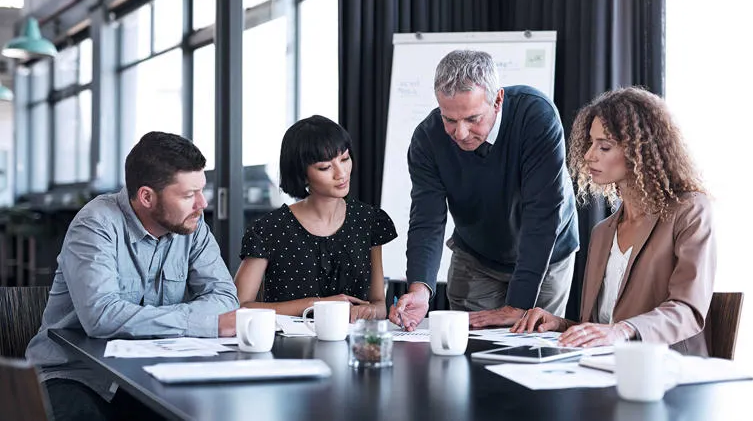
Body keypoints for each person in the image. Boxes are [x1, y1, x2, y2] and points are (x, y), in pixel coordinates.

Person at [26, 132, 240, 421]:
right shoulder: (96, 224)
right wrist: (202, 321)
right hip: (76, 374)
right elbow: (101, 317)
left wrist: (205, 319)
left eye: (201, 190)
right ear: (147, 196)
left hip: (152, 374)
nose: (202, 204)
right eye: (189, 195)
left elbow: (225, 300)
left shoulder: (192, 226)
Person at [511, 87, 716, 355]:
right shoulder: (602, 232)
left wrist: (622, 330)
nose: (589, 155)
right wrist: (560, 325)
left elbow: (688, 309)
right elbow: (602, 327)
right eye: (591, 143)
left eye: (604, 146)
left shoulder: (690, 210)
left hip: (668, 372)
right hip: (606, 370)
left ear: (640, 151)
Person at [389, 50, 580, 330]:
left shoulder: (536, 116)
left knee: (533, 351)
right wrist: (420, 289)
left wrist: (519, 304)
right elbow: (427, 220)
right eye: (449, 120)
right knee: (469, 353)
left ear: (498, 99)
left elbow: (543, 214)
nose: (461, 133)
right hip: (476, 256)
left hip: (546, 255)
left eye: (473, 119)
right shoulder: (427, 139)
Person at [234, 115, 397, 322]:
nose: (341, 173)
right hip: (287, 348)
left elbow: (378, 304)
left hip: (351, 345)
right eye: (325, 167)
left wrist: (368, 312)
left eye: (345, 159)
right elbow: (240, 307)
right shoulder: (269, 229)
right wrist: (315, 305)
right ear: (302, 174)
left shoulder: (368, 220)